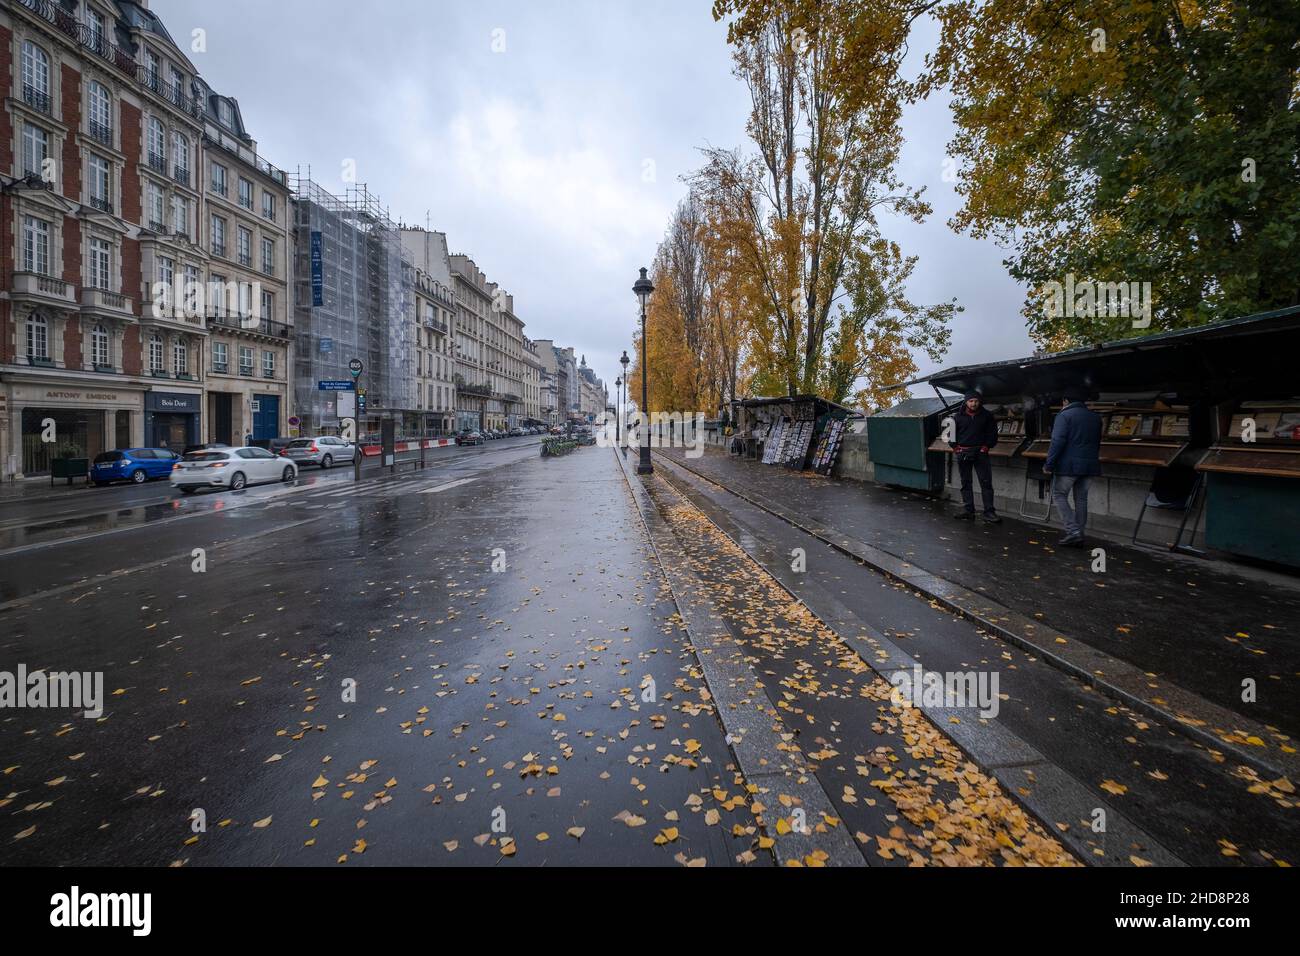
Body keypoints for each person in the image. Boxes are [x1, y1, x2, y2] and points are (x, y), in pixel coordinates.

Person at [1044, 384, 1102, 547]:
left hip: (1068, 465)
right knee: (1081, 499)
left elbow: (1057, 442)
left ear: (1065, 400)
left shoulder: (1064, 415)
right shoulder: (1095, 417)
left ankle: (1073, 531)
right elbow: (1097, 443)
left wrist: (1049, 464)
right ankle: (1080, 534)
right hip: (1090, 465)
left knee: (1059, 494)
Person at [950, 391, 1001, 523]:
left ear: (980, 402)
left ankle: (989, 512)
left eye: (976, 401)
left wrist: (986, 447)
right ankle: (968, 510)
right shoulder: (957, 417)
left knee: (986, 483)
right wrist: (956, 448)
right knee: (966, 482)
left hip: (981, 453)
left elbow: (993, 434)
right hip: (963, 453)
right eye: (971, 401)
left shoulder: (987, 416)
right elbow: (949, 435)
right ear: (966, 402)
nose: (974, 403)